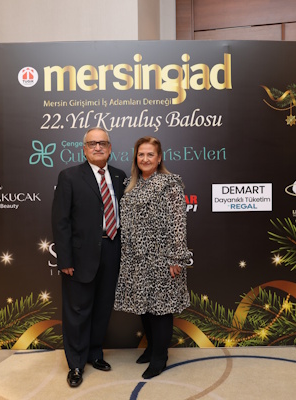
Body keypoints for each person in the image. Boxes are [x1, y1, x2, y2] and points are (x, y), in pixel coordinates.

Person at [52, 127, 127, 388]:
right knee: (77, 311)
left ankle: (95, 353)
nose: (98, 147)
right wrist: (65, 260)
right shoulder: (70, 176)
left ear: (110, 148)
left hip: (112, 249)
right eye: (92, 143)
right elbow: (60, 222)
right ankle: (75, 364)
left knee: (103, 307)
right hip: (80, 255)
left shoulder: (119, 176)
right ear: (84, 149)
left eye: (102, 143)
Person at [114, 136, 192, 379]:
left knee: (161, 309)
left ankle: (160, 357)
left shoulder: (170, 184)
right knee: (144, 307)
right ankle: (151, 348)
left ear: (159, 159)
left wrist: (176, 258)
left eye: (150, 154)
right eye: (141, 154)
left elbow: (178, 223)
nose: (145, 159)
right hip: (136, 259)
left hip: (162, 258)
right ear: (135, 158)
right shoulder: (130, 185)